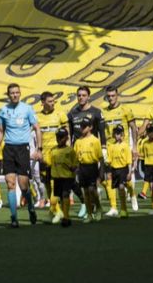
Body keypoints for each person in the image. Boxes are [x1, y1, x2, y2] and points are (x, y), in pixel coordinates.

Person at [0, 83, 41, 228]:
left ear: (20, 94)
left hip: (23, 149)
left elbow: (37, 128)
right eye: (12, 93)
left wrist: (39, 149)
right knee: (10, 184)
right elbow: (1, 131)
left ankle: (31, 207)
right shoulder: (3, 110)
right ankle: (14, 217)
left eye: (17, 92)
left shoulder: (27, 109)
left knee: (23, 185)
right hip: (8, 149)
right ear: (8, 95)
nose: (14, 95)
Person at [66, 85, 105, 218]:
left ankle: (96, 207)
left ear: (88, 96)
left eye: (83, 95)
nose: (81, 98)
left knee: (92, 188)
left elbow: (102, 132)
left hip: (92, 153)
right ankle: (88, 209)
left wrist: (103, 148)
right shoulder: (72, 113)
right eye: (79, 95)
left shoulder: (96, 112)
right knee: (81, 186)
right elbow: (70, 133)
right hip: (78, 152)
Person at [101, 86, 139, 216]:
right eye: (109, 96)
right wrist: (104, 146)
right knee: (109, 177)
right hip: (110, 148)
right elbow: (102, 130)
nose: (111, 98)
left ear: (117, 95)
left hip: (124, 148)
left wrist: (134, 147)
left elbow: (134, 128)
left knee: (126, 179)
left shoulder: (125, 110)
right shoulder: (104, 112)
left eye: (113, 95)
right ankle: (114, 207)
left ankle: (132, 194)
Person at [35, 91, 68, 221]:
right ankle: (54, 209)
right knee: (47, 183)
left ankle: (58, 210)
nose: (52, 103)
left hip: (57, 154)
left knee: (55, 184)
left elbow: (67, 132)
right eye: (49, 101)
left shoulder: (60, 114)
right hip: (44, 155)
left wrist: (67, 148)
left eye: (53, 101)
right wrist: (37, 151)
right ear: (42, 103)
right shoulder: (37, 117)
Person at [74, 117, 103, 222]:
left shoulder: (95, 140)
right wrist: (76, 171)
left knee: (92, 190)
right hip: (82, 168)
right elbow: (76, 158)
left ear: (90, 127)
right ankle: (90, 214)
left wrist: (101, 173)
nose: (82, 128)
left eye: (85, 126)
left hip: (92, 167)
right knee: (85, 192)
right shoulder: (78, 142)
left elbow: (100, 158)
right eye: (81, 126)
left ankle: (99, 208)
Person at [48, 127, 78, 228]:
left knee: (65, 195)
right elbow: (49, 163)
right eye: (58, 137)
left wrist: (73, 168)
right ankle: (63, 215)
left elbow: (75, 164)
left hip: (67, 177)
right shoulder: (53, 150)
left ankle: (66, 217)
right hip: (56, 178)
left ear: (66, 138)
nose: (59, 139)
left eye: (61, 137)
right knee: (59, 197)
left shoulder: (70, 151)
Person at [105, 124, 132, 218]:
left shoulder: (125, 146)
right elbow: (109, 159)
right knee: (116, 189)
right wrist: (107, 166)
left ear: (122, 134)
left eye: (119, 133)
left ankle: (124, 209)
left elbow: (129, 160)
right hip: (114, 169)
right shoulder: (111, 146)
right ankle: (116, 208)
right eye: (115, 133)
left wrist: (129, 172)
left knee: (121, 187)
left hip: (123, 169)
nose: (117, 135)